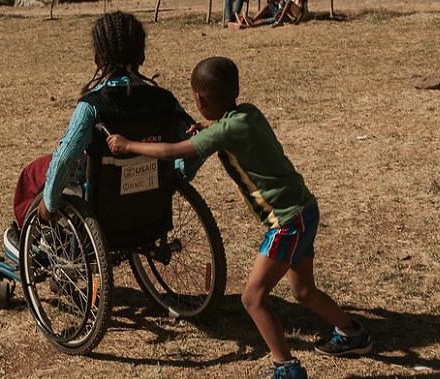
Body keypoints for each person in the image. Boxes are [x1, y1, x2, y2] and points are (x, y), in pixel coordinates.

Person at [106, 56, 372, 379]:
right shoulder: (248, 113)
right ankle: (352, 333)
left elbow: (171, 152)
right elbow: (226, 128)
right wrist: (208, 127)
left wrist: (128, 144)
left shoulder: (223, 132)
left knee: (253, 298)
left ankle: (287, 368)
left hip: (288, 223)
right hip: (306, 210)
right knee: (303, 292)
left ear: (200, 100)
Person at [2, 11, 203, 257]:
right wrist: (175, 178)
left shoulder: (93, 105)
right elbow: (196, 145)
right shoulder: (165, 101)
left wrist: (50, 203)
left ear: (97, 58)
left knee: (34, 172)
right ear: (142, 55)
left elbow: (65, 158)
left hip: (101, 198)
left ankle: (38, 240)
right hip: (150, 196)